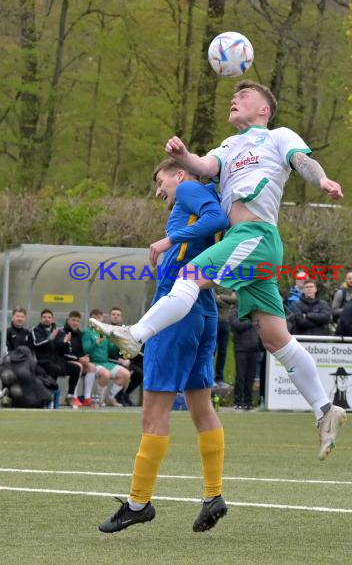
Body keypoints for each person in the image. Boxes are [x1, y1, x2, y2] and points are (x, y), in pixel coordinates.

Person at [91, 79, 347, 464]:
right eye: (234, 95)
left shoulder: (277, 136)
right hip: (249, 246)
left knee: (189, 275)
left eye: (243, 96)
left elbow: (303, 161)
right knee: (276, 338)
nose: (234, 99)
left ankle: (136, 334)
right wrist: (183, 154)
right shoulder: (227, 147)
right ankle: (326, 409)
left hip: (254, 234)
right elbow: (203, 167)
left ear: (263, 109)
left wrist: (321, 179)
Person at [98, 159, 229, 534]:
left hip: (178, 313)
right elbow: (218, 220)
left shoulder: (190, 189)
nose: (159, 191)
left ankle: (138, 503)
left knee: (153, 414)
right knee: (202, 409)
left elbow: (218, 220)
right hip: (203, 310)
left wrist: (168, 240)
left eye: (160, 181)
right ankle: (213, 495)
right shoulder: (202, 195)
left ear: (180, 174)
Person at [32, 309, 80, 407]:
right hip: (43, 361)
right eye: (44, 317)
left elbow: (62, 348)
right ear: (41, 319)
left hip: (58, 360)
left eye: (49, 317)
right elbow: (37, 344)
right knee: (55, 369)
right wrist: (49, 339)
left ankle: (70, 396)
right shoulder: (36, 330)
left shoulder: (59, 331)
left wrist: (65, 342)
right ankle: (49, 397)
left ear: (53, 319)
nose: (47, 319)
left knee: (76, 368)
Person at [82, 309, 130, 407]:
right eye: (94, 318)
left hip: (105, 363)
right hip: (93, 363)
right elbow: (86, 350)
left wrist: (117, 342)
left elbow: (111, 351)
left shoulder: (103, 332)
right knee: (105, 374)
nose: (96, 320)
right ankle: (100, 399)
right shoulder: (87, 332)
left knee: (125, 374)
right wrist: (97, 342)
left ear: (102, 319)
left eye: (98, 318)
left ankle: (110, 398)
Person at [55, 311, 96, 407]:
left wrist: (86, 358)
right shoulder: (61, 332)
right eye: (73, 320)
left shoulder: (80, 334)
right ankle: (73, 396)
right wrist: (79, 359)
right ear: (68, 320)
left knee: (92, 367)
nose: (75, 323)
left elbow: (82, 351)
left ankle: (87, 398)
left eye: (77, 321)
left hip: (76, 360)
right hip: (62, 361)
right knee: (78, 366)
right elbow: (62, 352)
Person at [109, 307, 143, 406]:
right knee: (125, 370)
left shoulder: (125, 331)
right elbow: (107, 350)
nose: (115, 317)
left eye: (118, 315)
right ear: (110, 316)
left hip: (126, 361)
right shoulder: (105, 330)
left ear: (121, 318)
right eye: (113, 314)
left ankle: (125, 395)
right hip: (111, 361)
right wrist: (118, 360)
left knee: (140, 373)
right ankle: (116, 396)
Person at [229, 308, 261, 410]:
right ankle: (238, 402)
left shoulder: (256, 312)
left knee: (250, 378)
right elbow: (236, 326)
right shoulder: (235, 311)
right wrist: (252, 321)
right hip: (241, 349)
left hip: (255, 349)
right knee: (240, 377)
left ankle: (248, 402)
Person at [214, 287, 237, 387]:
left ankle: (219, 379)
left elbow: (236, 300)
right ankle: (210, 379)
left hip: (226, 322)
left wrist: (221, 297)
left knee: (223, 351)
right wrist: (228, 300)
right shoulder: (214, 281)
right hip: (215, 321)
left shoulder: (231, 283)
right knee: (211, 351)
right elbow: (214, 298)